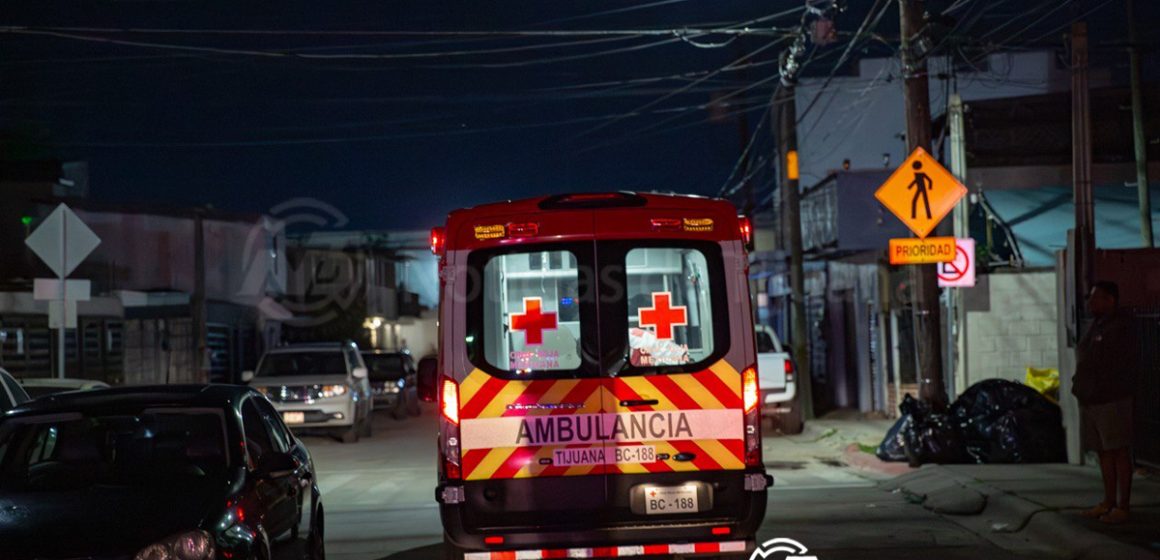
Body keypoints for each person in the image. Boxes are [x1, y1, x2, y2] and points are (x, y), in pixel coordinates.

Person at [1072, 281, 1137, 524]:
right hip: (1094, 398)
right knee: (1104, 451)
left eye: (1096, 298)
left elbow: (1113, 365)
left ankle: (1122, 505)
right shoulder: (1098, 325)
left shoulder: (1119, 327)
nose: (1090, 303)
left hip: (1112, 398)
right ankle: (1108, 501)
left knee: (1118, 450)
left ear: (1110, 300)